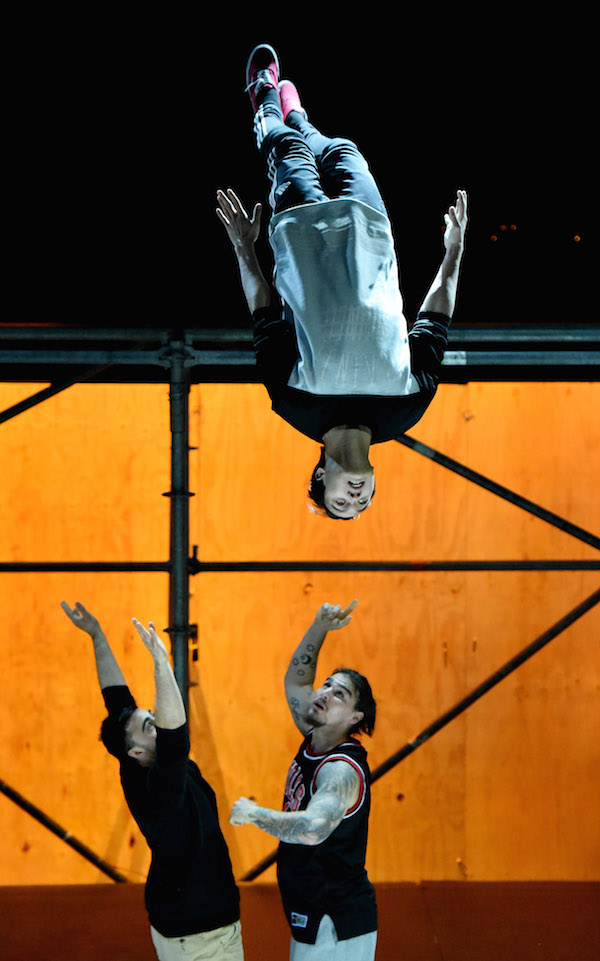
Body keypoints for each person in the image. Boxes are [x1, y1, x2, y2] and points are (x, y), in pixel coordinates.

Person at [216, 43, 468, 519]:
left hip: (302, 233)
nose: (356, 497)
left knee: (285, 147)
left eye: (340, 501)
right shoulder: (407, 408)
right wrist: (453, 253)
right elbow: (434, 319)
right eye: (363, 501)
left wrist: (244, 248)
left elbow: (264, 313)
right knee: (341, 149)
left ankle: (264, 96)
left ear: (320, 477)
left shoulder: (294, 402)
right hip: (369, 231)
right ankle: (299, 114)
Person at [60, 601, 243, 961]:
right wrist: (161, 661)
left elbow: (117, 700)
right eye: (150, 726)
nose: (158, 721)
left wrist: (97, 635)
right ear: (136, 752)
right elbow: (175, 736)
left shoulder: (134, 759)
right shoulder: (161, 787)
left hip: (185, 927)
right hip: (202, 935)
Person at [230, 598, 377, 959]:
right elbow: (297, 680)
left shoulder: (340, 769)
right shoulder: (315, 737)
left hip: (336, 920)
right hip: (313, 908)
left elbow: (313, 828)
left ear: (355, 718)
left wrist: (255, 815)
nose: (325, 693)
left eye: (338, 694)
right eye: (326, 685)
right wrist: (319, 627)